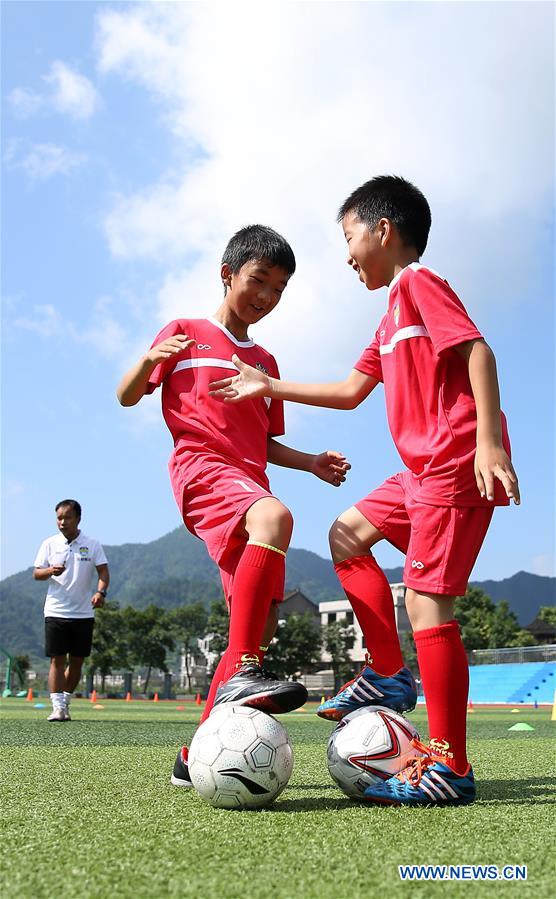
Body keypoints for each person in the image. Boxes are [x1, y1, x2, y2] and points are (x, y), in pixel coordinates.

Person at [208, 176, 520, 807]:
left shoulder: (418, 283)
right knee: (346, 534)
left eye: (349, 236)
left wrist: (490, 441)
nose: (347, 254)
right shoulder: (390, 318)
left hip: (453, 460)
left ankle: (450, 765)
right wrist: (271, 390)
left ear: (383, 230)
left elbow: (478, 351)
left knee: (431, 605)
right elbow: (350, 392)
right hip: (417, 473)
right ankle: (387, 673)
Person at [116, 224, 350, 787]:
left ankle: (192, 753)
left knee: (258, 624)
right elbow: (126, 396)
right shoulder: (187, 333)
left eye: (279, 288)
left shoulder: (265, 361)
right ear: (229, 274)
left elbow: (263, 443)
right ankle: (245, 670)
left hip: (247, 483)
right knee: (276, 518)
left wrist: (312, 462)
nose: (266, 296)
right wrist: (150, 359)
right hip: (203, 470)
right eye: (258, 280)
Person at [33, 499, 109, 721]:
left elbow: (104, 572)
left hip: (84, 612)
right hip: (56, 610)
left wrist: (100, 593)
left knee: (77, 661)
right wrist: (49, 571)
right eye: (59, 518)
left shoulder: (92, 544)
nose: (62, 522)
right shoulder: (49, 544)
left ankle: (65, 702)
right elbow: (36, 573)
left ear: (78, 518)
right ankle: (57, 707)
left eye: (67, 517)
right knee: (56, 659)